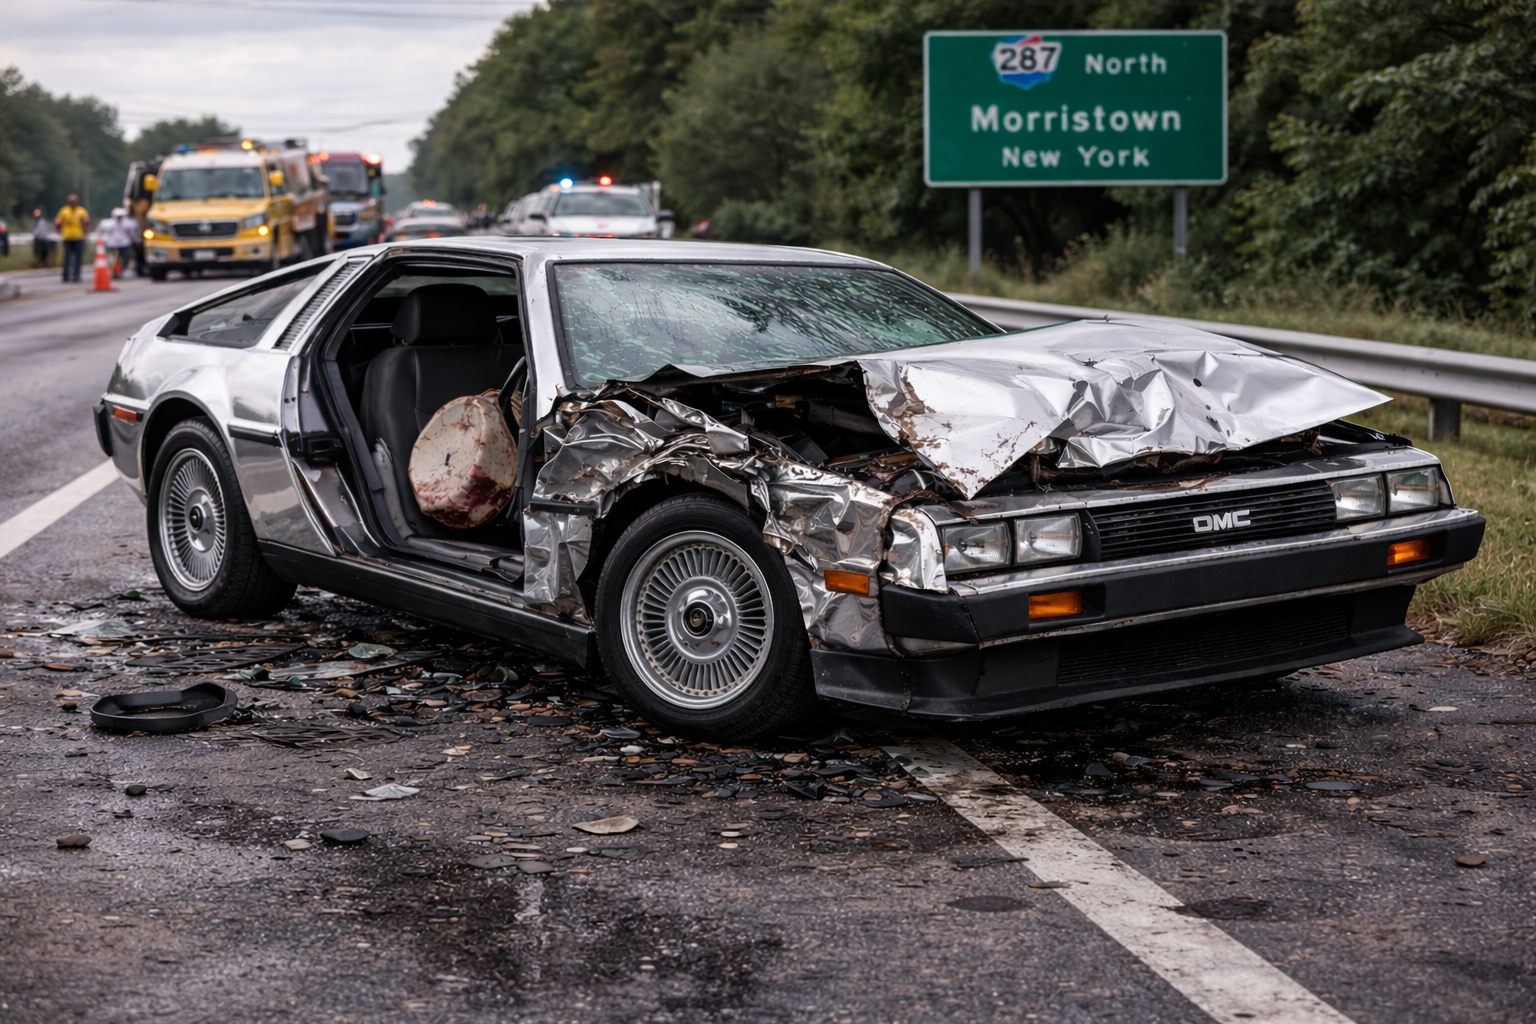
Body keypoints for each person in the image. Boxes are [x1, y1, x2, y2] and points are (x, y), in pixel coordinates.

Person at [54, 194, 90, 283]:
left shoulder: (81, 211)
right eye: (71, 202)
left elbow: (86, 224)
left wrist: (85, 234)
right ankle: (67, 275)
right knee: (68, 257)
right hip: (68, 237)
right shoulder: (64, 211)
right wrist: (58, 233)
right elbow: (57, 224)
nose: (73, 203)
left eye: (74, 202)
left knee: (76, 257)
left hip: (78, 237)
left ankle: (75, 275)